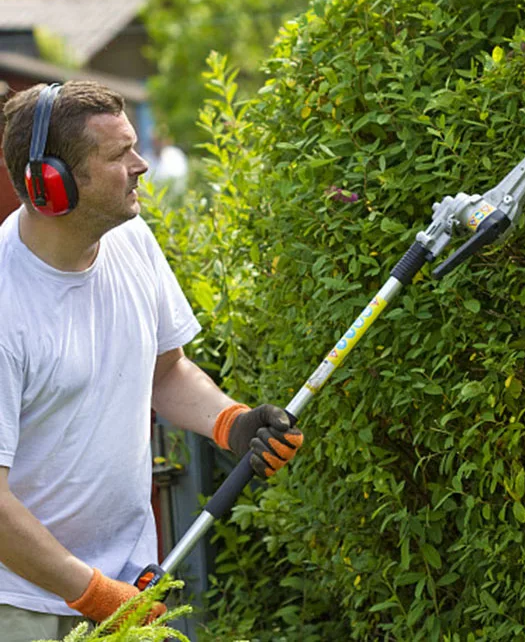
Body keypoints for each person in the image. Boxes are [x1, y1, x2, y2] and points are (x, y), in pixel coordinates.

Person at [0, 81, 303, 641]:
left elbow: (166, 370)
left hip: (129, 585)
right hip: (23, 607)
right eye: (118, 155)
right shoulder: (5, 302)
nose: (142, 165)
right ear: (51, 184)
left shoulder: (131, 238)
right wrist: (93, 593)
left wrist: (231, 422)